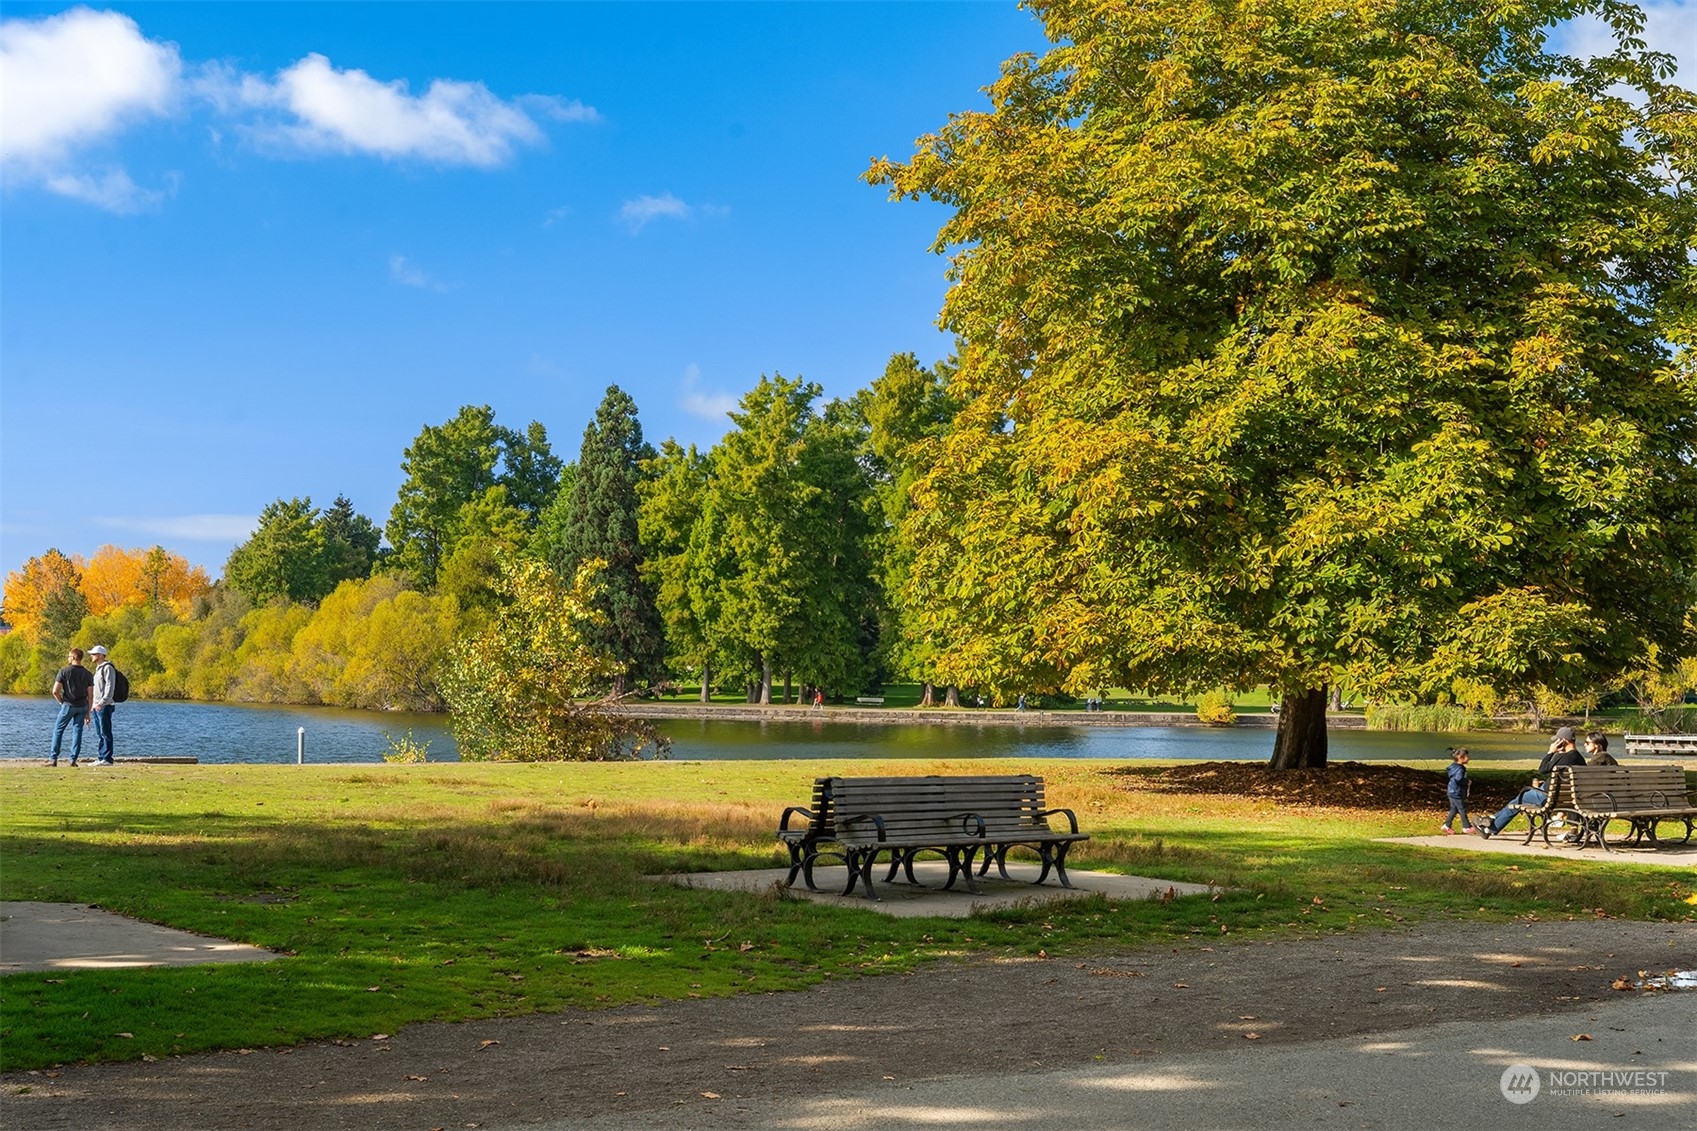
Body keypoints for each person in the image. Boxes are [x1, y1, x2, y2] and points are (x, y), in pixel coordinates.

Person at [1477, 727, 1584, 837]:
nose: (1555, 743)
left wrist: (1551, 752)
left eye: (1557, 740)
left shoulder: (1563, 757)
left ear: (1563, 741)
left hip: (1547, 797)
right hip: (1567, 798)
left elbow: (1542, 769)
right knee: (1519, 799)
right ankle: (1491, 820)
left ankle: (1490, 828)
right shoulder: (1580, 759)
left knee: (1519, 799)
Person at [48, 647, 94, 766]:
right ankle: (73, 760)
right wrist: (88, 712)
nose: (68, 658)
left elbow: (55, 691)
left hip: (68, 705)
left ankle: (53, 759)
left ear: (73, 657)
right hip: (82, 706)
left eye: (69, 656)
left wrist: (61, 702)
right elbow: (90, 695)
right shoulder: (88, 674)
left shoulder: (64, 671)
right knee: (77, 732)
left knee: (58, 730)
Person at [88, 644, 117, 766]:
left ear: (100, 655)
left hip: (104, 705)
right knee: (100, 733)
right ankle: (101, 757)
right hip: (96, 705)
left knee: (105, 732)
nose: (91, 656)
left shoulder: (107, 668)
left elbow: (110, 686)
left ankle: (107, 758)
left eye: (93, 654)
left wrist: (103, 702)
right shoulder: (98, 668)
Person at [1440, 748, 1474, 834]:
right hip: (1456, 792)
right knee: (1462, 809)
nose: (1468, 758)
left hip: (1451, 791)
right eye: (1467, 756)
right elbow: (1458, 779)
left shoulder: (1453, 767)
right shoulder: (1460, 769)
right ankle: (1466, 827)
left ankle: (1446, 825)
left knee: (1454, 809)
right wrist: (1466, 781)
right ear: (1460, 757)